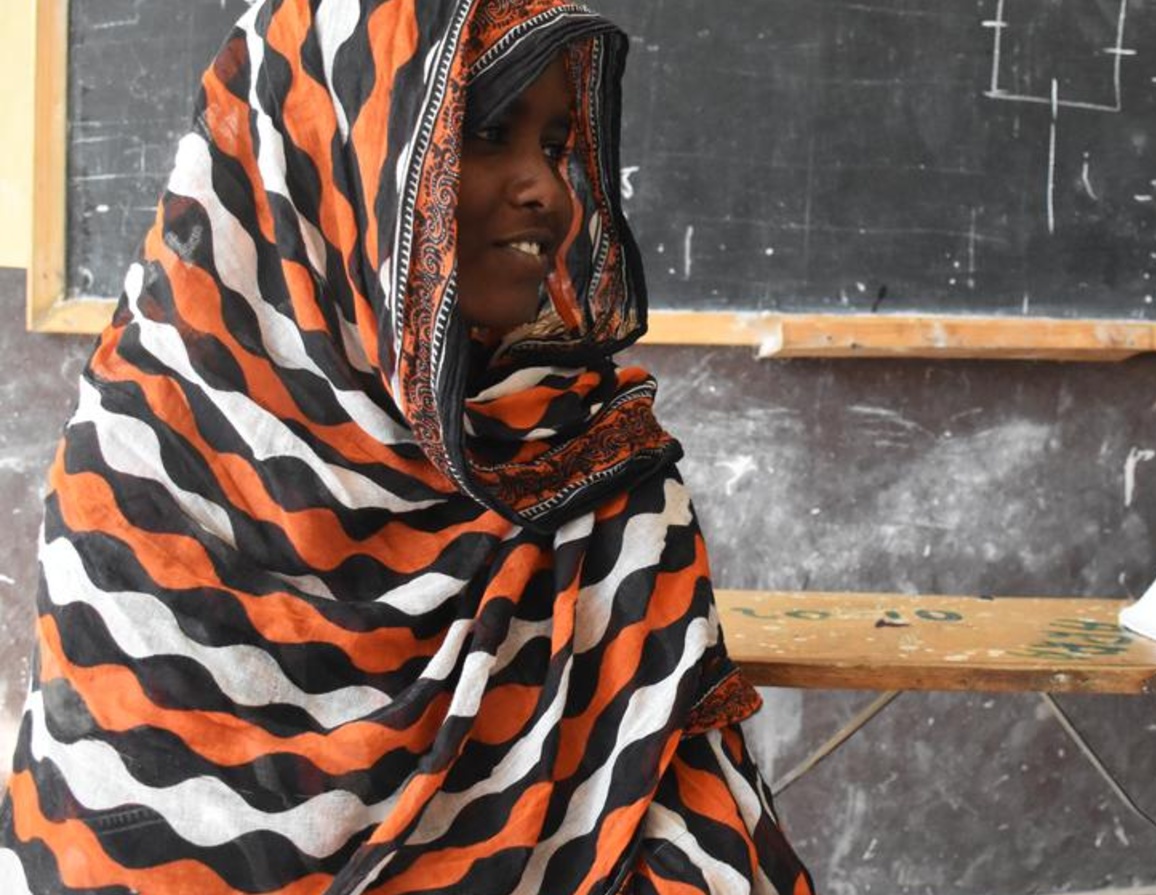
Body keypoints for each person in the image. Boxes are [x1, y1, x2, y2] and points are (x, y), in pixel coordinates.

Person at [0, 1, 813, 893]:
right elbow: (105, 848)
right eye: (489, 133)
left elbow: (694, 839)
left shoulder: (591, 468)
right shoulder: (139, 477)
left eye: (554, 146)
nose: (550, 192)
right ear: (344, 165)